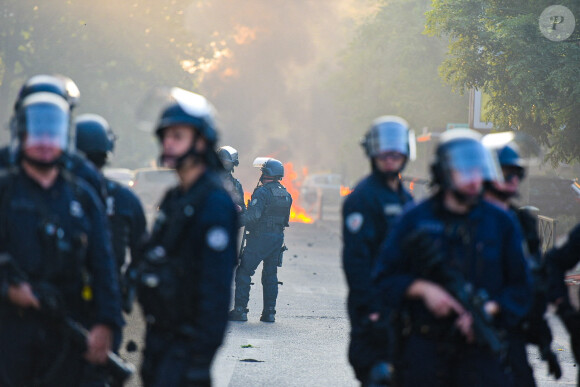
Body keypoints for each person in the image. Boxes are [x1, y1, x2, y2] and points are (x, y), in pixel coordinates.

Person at [373, 129, 532, 387]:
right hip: (424, 354)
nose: (473, 181)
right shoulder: (414, 220)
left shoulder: (501, 223)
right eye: (465, 172)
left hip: (481, 355)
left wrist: (490, 309)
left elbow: (522, 288)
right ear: (444, 173)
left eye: (478, 171)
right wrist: (421, 289)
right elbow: (382, 280)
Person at [0, 90, 124, 386]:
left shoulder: (83, 197)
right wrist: (8, 290)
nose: (45, 143)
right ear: (22, 135)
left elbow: (104, 267)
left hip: (68, 326)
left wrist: (106, 324)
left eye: (52, 133)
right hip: (10, 329)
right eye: (37, 133)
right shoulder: (4, 192)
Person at [136, 87, 238, 387]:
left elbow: (216, 292)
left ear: (202, 141)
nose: (168, 142)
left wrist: (199, 361)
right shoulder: (176, 197)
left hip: (187, 350)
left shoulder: (215, 201)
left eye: (178, 136)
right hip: (160, 340)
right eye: (166, 135)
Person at [341, 116, 415, 386]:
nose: (390, 157)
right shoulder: (363, 197)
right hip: (374, 307)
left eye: (396, 151)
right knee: (377, 373)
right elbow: (356, 260)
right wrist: (370, 307)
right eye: (384, 151)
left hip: (402, 305)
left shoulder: (405, 197)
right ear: (372, 151)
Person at [483, 133, 561, 385]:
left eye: (516, 174)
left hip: (513, 332)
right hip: (474, 335)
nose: (512, 181)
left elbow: (535, 282)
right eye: (505, 173)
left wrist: (545, 342)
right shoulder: (468, 220)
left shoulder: (523, 223)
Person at [0, 74, 108, 202]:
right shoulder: (3, 166)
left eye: (53, 121)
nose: (45, 139)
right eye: (37, 120)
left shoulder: (84, 175)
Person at [228, 157, 292, 323]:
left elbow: (253, 217)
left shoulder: (262, 192)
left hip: (260, 238)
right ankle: (269, 313)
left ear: (267, 173)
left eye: (263, 171)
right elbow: (285, 220)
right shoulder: (286, 194)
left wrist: (232, 220)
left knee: (244, 272)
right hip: (278, 238)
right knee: (270, 275)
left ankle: (240, 311)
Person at [218, 145, 245, 212]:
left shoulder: (236, 184)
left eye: (226, 163)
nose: (223, 165)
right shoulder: (209, 181)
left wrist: (239, 208)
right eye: (221, 162)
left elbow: (243, 207)